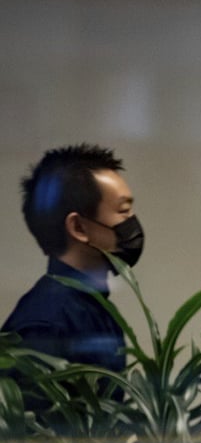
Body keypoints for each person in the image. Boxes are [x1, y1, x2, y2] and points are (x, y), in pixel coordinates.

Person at [3, 144, 143, 370]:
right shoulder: (46, 325)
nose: (132, 221)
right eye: (123, 210)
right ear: (78, 227)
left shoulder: (93, 307)